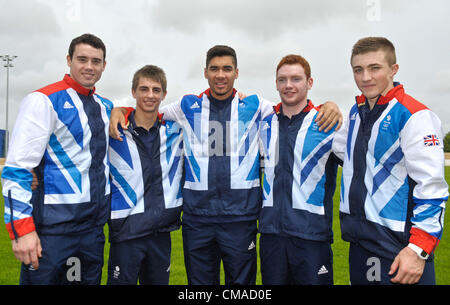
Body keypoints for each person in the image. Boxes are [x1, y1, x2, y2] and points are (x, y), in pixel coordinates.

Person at [109, 45, 342, 285]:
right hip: (197, 221)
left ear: (236, 73)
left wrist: (328, 106)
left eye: (227, 69)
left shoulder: (254, 106)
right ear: (206, 72)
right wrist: (121, 110)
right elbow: (149, 111)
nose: (221, 75)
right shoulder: (188, 106)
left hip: (240, 220)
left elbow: (292, 107)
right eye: (215, 69)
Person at [1, 33, 113, 285]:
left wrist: (124, 111)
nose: (89, 66)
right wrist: (22, 230)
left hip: (92, 233)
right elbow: (17, 169)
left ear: (104, 66)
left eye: (96, 61)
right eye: (82, 59)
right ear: (69, 60)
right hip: (52, 233)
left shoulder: (104, 106)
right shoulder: (43, 100)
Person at [336, 37, 448, 285]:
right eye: (358, 69)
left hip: (399, 252)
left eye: (374, 68)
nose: (365, 77)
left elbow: (432, 188)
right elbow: (336, 150)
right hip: (361, 245)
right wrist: (329, 107)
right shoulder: (357, 112)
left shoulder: (414, 115)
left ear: (393, 69)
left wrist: (418, 250)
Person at [258, 54, 340, 285]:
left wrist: (331, 105)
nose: (288, 85)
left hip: (311, 237)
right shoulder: (264, 123)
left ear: (309, 83)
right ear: (276, 84)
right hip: (271, 236)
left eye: (296, 79)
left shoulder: (327, 123)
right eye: (282, 80)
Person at [107, 65, 183, 285]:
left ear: (164, 95)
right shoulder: (113, 129)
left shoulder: (176, 130)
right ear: (134, 93)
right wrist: (117, 110)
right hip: (126, 234)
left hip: (161, 233)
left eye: (156, 90)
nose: (150, 95)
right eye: (144, 89)